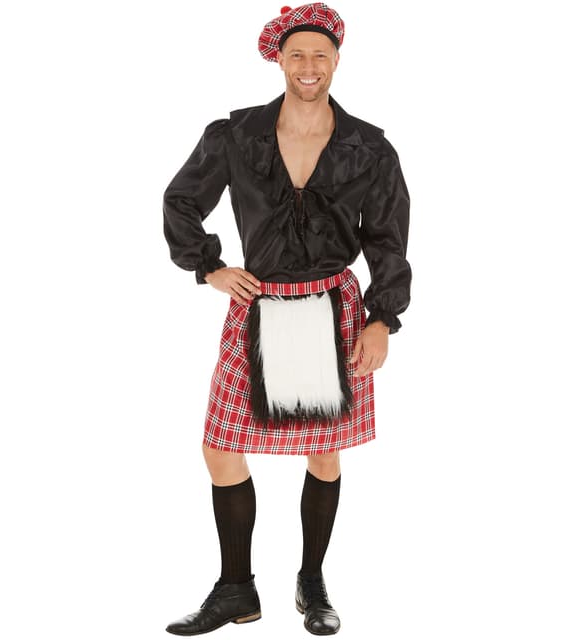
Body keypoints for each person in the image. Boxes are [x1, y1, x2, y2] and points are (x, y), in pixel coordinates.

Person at [162, 3, 411, 635]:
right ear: (279, 58)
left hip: (334, 307)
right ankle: (235, 588)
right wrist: (210, 267)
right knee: (221, 446)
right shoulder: (236, 134)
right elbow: (181, 200)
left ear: (337, 61)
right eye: (296, 53)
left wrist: (382, 318)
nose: (308, 65)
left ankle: (312, 581)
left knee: (324, 452)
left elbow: (388, 237)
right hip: (258, 304)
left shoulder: (369, 147)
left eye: (319, 54)